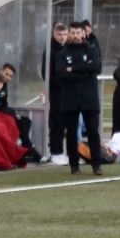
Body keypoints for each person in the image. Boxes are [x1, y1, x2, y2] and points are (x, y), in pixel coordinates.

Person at [56, 21, 104, 175]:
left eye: (78, 33)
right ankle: (74, 165)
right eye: (73, 33)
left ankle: (96, 165)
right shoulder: (62, 54)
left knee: (93, 131)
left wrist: (73, 69)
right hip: (70, 98)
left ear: (83, 33)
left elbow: (96, 67)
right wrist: (84, 73)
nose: (76, 36)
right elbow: (61, 73)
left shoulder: (91, 49)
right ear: (69, 34)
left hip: (89, 98)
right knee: (71, 132)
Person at [41, 23, 69, 166]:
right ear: (54, 34)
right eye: (59, 35)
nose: (62, 37)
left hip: (67, 91)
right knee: (56, 121)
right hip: (56, 91)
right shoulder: (50, 50)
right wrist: (61, 83)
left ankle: (61, 151)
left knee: (64, 122)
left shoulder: (67, 48)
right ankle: (55, 152)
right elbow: (47, 73)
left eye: (64, 34)